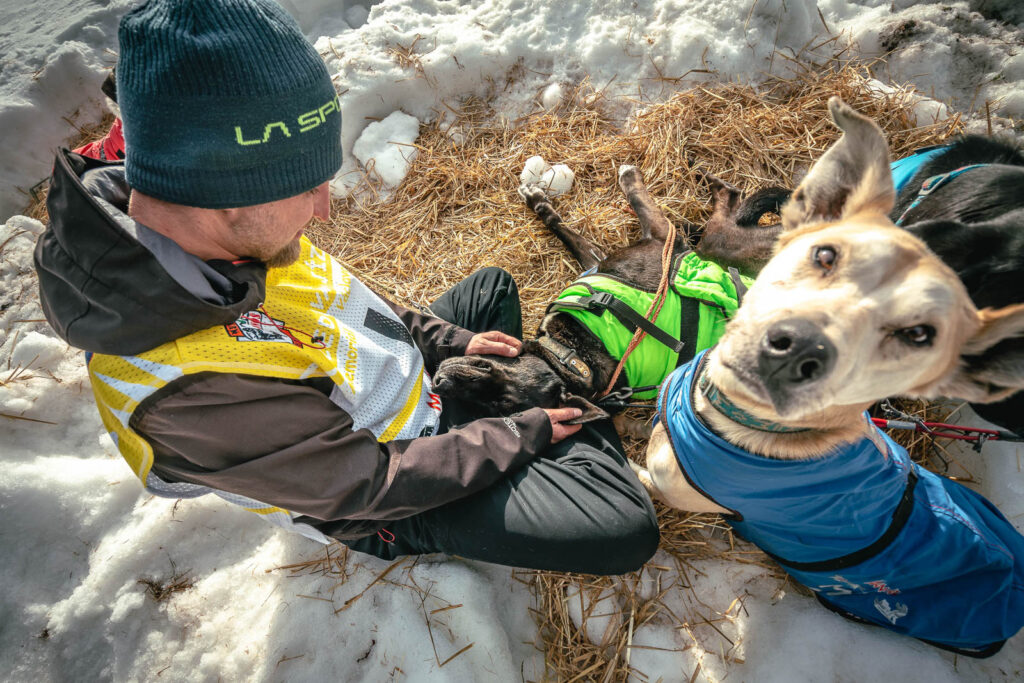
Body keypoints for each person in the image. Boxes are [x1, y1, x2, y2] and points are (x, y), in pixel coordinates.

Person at [33, 0, 658, 574]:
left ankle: (504, 406)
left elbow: (358, 310)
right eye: (305, 186)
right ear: (219, 193)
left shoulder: (231, 236)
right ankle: (568, 418)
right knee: (623, 529)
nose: (324, 209)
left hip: (407, 392)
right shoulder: (183, 390)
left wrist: (451, 343)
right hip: (387, 484)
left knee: (490, 288)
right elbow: (370, 484)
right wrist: (522, 430)